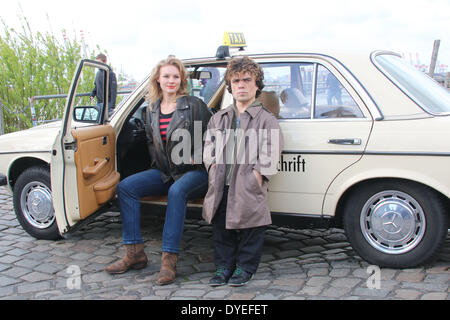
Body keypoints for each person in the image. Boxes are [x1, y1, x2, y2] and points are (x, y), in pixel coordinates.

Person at [104, 56, 212, 286]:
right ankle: (134, 254)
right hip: (165, 171)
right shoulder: (151, 110)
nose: (171, 81)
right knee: (126, 188)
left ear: (181, 79)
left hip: (196, 172)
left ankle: (168, 262)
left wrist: (199, 155)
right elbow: (153, 145)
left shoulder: (194, 105)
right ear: (158, 80)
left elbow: (214, 136)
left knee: (176, 192)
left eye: (175, 76)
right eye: (166, 76)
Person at [202, 56, 283, 287]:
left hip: (248, 182)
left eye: (247, 80)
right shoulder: (219, 118)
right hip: (221, 181)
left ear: (257, 84)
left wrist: (257, 176)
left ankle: (245, 268)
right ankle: (223, 266)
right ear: (230, 85)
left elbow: (271, 151)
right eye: (236, 81)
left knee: (251, 227)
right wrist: (213, 167)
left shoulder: (266, 119)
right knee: (221, 227)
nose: (241, 85)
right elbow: (209, 147)